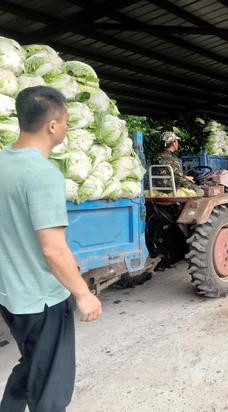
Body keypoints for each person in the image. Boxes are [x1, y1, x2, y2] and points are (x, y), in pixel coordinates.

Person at [0, 86, 102, 411]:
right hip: (42, 299)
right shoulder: (43, 174)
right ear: (53, 126)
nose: (67, 128)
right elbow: (53, 250)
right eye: (67, 122)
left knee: (32, 365)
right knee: (51, 389)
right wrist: (83, 293)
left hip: (10, 296)